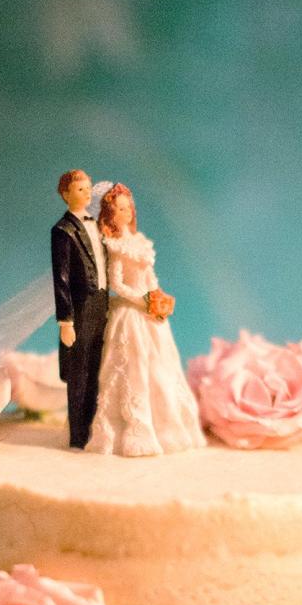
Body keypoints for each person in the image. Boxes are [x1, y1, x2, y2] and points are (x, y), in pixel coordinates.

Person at [87, 184, 206, 456]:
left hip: (150, 314)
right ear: (109, 214)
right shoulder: (116, 246)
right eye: (119, 209)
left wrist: (158, 296)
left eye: (128, 207)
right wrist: (142, 301)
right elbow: (117, 284)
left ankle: (168, 429)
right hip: (130, 315)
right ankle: (128, 431)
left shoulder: (139, 241)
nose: (125, 213)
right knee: (133, 368)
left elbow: (150, 277)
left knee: (162, 368)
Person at [50, 169, 109, 448]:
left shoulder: (96, 225)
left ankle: (92, 429)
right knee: (79, 372)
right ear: (66, 194)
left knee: (96, 369)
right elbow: (60, 278)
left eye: (88, 189)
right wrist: (65, 321)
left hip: (101, 303)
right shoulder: (62, 231)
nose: (86, 194)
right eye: (80, 190)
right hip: (80, 307)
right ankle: (77, 436)